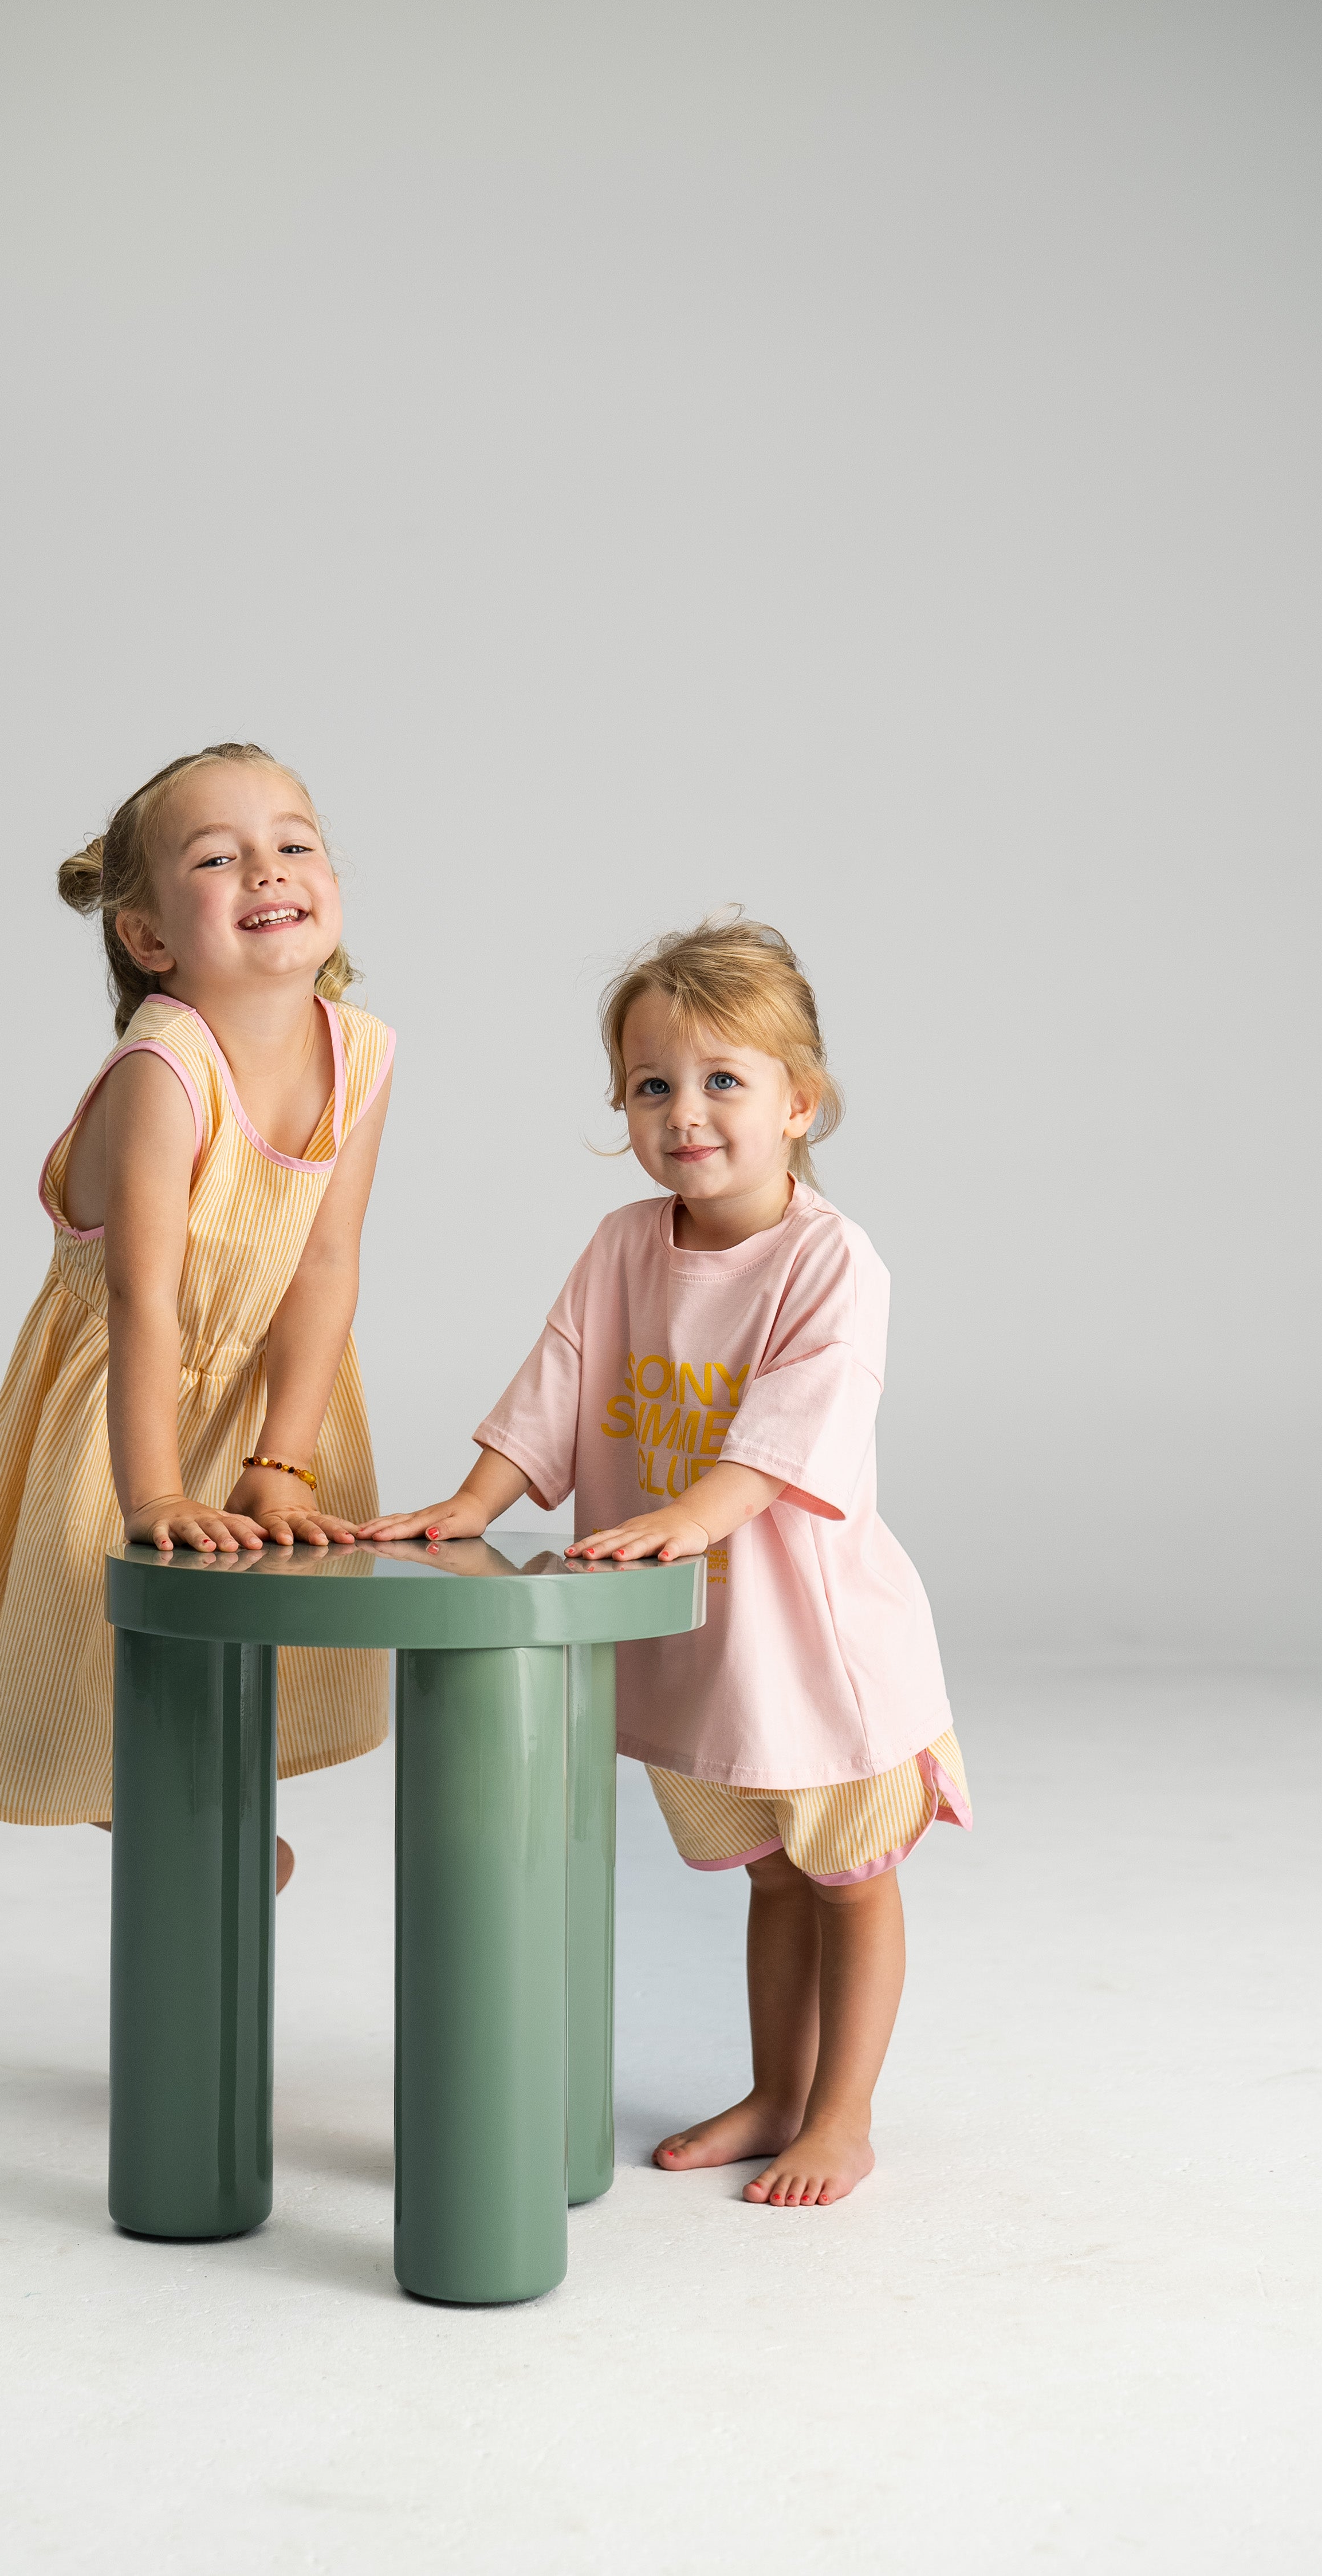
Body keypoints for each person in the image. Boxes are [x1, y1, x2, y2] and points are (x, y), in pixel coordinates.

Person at [362, 915, 963, 2204]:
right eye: (652, 1086)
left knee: (846, 1879)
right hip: (713, 1648)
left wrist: (696, 1514)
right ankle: (773, 2090)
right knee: (769, 1884)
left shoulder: (827, 1260)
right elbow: (559, 1383)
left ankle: (842, 2116)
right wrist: (477, 1496)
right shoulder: (625, 1246)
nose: (683, 1113)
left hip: (820, 1644)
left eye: (722, 1081)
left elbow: (801, 1418)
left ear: (800, 1103)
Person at [0, 742, 395, 1889]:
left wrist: (285, 1458)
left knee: (252, 1607)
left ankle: (208, 1808)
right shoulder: (163, 1068)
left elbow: (323, 1265)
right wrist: (155, 1489)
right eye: (220, 858)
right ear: (152, 937)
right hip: (132, 1390)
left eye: (293, 843)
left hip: (265, 1378)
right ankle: (169, 1816)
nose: (269, 870)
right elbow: (142, 1301)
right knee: (106, 1640)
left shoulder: (358, 1053)